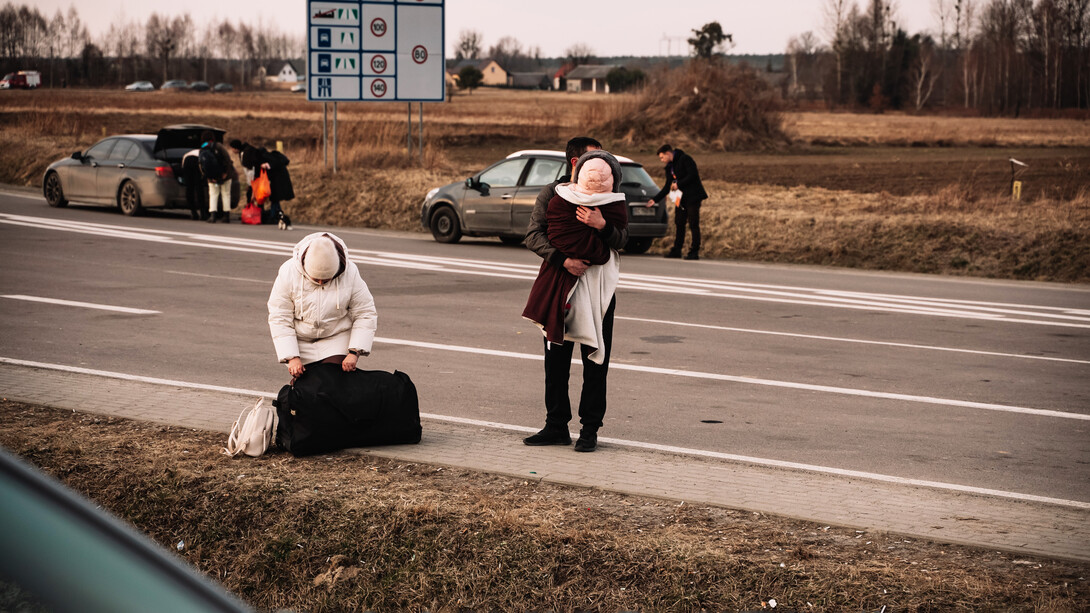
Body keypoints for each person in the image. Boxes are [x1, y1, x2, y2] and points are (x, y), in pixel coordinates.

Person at [522, 149, 629, 452]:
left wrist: (602, 225)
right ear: (575, 164)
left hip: (598, 291)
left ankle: (589, 430)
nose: (599, 170)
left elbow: (622, 239)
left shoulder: (613, 201)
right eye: (590, 161)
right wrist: (563, 260)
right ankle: (556, 425)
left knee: (595, 360)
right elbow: (534, 235)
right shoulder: (553, 196)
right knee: (556, 359)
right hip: (559, 282)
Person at [267, 232, 377, 379]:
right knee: (308, 388)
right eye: (316, 279)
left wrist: (354, 352)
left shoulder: (350, 272)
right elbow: (279, 316)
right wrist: (291, 356)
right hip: (301, 341)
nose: (320, 283)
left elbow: (365, 312)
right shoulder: (288, 272)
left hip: (336, 337)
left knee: (329, 381)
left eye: (326, 280)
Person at [647, 143, 708, 260]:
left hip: (693, 197)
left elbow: (693, 175)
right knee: (679, 223)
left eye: (662, 157)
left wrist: (678, 184)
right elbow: (667, 186)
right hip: (680, 199)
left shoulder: (685, 159)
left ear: (668, 153)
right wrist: (654, 200)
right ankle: (677, 249)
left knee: (693, 223)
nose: (662, 160)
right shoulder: (669, 167)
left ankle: (694, 251)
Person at [230, 139, 295, 230]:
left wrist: (266, 167)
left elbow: (267, 172)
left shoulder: (266, 159)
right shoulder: (267, 158)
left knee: (275, 199)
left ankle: (276, 217)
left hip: (278, 181)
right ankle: (277, 217)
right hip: (277, 181)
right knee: (275, 200)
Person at [199, 130, 238, 223]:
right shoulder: (218, 146)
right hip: (225, 175)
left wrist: (208, 176)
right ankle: (226, 216)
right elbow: (228, 159)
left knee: (213, 195)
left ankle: (212, 216)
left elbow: (201, 165)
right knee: (226, 194)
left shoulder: (202, 149)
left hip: (211, 177)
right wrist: (225, 173)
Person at [181, 148, 208, 220]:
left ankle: (194, 213)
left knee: (189, 188)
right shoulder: (206, 153)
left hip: (187, 162)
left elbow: (183, 167)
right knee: (199, 187)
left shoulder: (187, 154)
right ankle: (203, 213)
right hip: (197, 161)